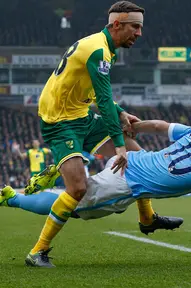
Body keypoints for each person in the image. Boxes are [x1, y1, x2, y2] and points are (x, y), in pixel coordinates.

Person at [0, 120, 191, 267]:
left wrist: (131, 128)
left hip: (134, 161)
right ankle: (13, 198)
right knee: (75, 204)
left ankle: (147, 218)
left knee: (150, 167)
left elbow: (160, 126)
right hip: (124, 182)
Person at [25, 1, 181, 267]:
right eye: (135, 27)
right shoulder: (98, 50)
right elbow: (105, 101)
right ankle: (37, 251)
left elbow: (100, 95)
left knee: (137, 157)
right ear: (116, 24)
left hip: (81, 114)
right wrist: (118, 142)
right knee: (77, 189)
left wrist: (120, 113)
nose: (139, 33)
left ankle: (147, 217)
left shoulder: (105, 48)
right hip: (60, 122)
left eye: (140, 27)